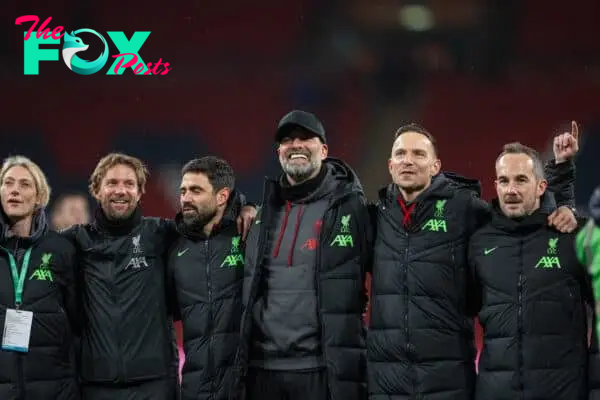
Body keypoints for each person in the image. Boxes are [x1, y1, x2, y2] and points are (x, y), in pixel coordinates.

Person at [367, 123, 578, 399]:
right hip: (387, 382)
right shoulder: (374, 217)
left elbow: (517, 220)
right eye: (401, 154)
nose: (408, 160)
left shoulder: (463, 208)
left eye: (419, 153)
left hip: (448, 380)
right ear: (390, 165)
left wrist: (562, 203)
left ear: (435, 166)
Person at [62, 153, 255, 400]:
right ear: (96, 190)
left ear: (141, 191)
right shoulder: (73, 242)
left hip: (155, 386)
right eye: (112, 183)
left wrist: (244, 207)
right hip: (96, 385)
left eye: (129, 184)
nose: (121, 190)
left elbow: (208, 220)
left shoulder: (164, 235)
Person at [234, 110, 372, 400]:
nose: (295, 144)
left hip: (322, 369)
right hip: (262, 370)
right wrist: (241, 206)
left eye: (305, 138)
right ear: (278, 152)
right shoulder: (262, 214)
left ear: (324, 149)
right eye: (287, 140)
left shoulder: (352, 209)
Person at [468, 143, 598, 399]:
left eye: (521, 180)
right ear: (496, 186)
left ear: (541, 187)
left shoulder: (572, 237)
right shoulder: (478, 242)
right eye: (504, 181)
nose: (511, 189)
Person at [0, 156, 79, 399]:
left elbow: (80, 322)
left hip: (54, 390)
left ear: (39, 198)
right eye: (8, 183)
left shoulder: (61, 250)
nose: (14, 190)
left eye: (25, 184)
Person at [167, 156, 245, 400]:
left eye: (196, 190)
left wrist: (248, 206)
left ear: (222, 197)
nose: (186, 198)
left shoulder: (250, 235)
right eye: (183, 191)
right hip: (196, 386)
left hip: (247, 384)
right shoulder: (174, 249)